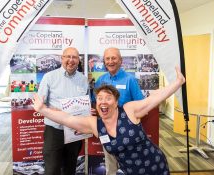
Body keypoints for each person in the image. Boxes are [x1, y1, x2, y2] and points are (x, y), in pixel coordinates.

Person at [33, 67, 185, 175]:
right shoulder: (95, 124)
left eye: (108, 98)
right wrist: (43, 110)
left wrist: (178, 82)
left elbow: (155, 98)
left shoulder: (129, 110)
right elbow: (67, 118)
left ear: (116, 100)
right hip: (131, 171)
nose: (103, 102)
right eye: (99, 98)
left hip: (154, 166)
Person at [37, 47, 89, 175]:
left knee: (70, 168)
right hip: (55, 131)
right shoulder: (49, 77)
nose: (71, 60)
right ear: (62, 58)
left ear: (78, 60)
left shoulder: (83, 80)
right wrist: (51, 110)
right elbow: (40, 105)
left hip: (75, 132)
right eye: (68, 57)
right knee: (52, 169)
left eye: (75, 57)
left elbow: (86, 104)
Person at [93, 47, 144, 174]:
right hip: (107, 130)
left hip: (127, 131)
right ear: (104, 62)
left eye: (114, 58)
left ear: (120, 61)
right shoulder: (100, 80)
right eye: (107, 59)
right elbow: (96, 103)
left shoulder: (130, 79)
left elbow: (141, 105)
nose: (110, 61)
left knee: (131, 164)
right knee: (110, 166)